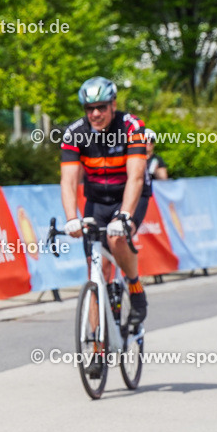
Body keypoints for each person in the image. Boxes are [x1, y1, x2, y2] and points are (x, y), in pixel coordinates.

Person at [59, 76, 149, 330]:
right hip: (97, 199)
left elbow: (136, 177)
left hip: (130, 195)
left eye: (101, 107)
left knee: (117, 238)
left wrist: (124, 216)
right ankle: (97, 348)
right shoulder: (75, 133)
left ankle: (134, 285)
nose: (95, 114)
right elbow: (67, 182)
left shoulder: (131, 127)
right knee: (97, 271)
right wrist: (71, 218)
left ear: (113, 104)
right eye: (90, 109)